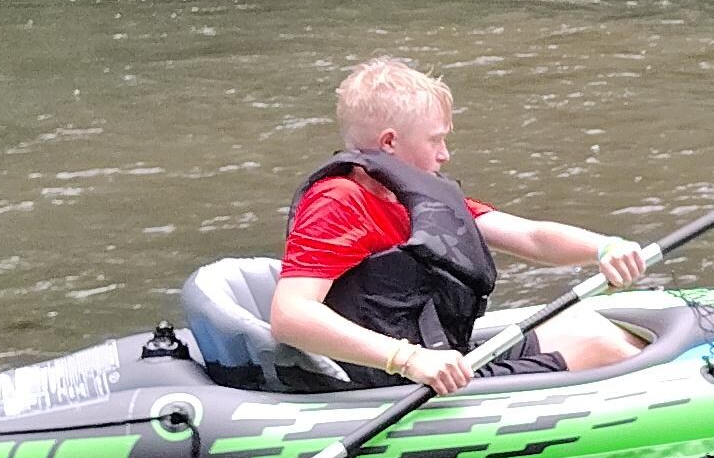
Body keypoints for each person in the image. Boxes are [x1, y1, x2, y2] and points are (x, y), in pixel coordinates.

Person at [269, 56, 653, 394]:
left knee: (590, 327)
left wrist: (603, 248)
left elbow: (531, 238)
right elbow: (290, 316)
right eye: (435, 140)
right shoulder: (339, 202)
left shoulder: (413, 199)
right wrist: (406, 358)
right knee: (602, 350)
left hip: (437, 359)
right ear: (389, 143)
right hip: (394, 381)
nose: (444, 154)